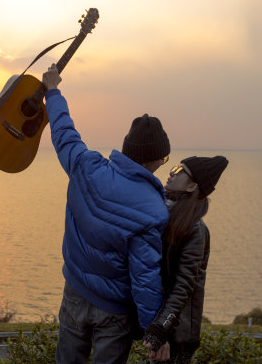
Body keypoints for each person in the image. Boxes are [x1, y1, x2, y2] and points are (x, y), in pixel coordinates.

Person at [41, 63, 171, 364]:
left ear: (127, 150)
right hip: (114, 311)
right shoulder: (153, 210)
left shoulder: (86, 167)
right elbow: (145, 278)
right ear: (156, 159)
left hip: (74, 290)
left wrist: (53, 92)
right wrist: (155, 333)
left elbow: (64, 134)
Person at [142, 155, 229, 363]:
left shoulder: (195, 230)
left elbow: (183, 287)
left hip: (177, 335)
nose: (172, 172)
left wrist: (161, 328)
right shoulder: (166, 214)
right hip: (162, 325)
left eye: (180, 171)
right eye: (174, 167)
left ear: (192, 187)